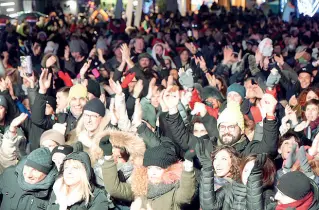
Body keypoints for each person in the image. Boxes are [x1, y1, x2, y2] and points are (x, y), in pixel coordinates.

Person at [101, 134, 196, 210]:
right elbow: (114, 189)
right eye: (150, 168)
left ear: (168, 170)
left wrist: (188, 167)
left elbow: (186, 195)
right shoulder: (140, 187)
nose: (153, 172)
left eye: (158, 169)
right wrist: (108, 156)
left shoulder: (175, 190)